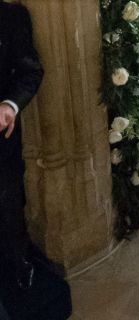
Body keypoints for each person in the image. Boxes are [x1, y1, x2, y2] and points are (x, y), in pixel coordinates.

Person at [0, 0, 44, 294]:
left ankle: (20, 265)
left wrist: (10, 105)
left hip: (1, 135)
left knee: (8, 205)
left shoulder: (11, 16)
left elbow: (31, 71)